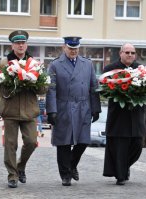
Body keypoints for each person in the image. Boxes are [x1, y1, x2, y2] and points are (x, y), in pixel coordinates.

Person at [46, 36, 101, 186]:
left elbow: (93, 87)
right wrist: (51, 110)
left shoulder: (87, 64)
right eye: (70, 48)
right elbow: (51, 89)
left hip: (84, 106)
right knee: (64, 143)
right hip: (64, 106)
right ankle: (65, 174)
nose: (73, 51)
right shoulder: (55, 65)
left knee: (83, 141)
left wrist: (96, 108)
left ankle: (71, 164)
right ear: (64, 47)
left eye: (76, 49)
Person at [0, 30, 47, 188]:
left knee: (32, 142)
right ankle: (12, 175)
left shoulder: (34, 64)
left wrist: (33, 83)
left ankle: (20, 166)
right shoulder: (4, 63)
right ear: (12, 45)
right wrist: (12, 85)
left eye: (23, 43)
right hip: (11, 110)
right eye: (17, 43)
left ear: (26, 45)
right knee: (10, 144)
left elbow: (43, 89)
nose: (20, 45)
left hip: (29, 111)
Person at [102, 43, 145, 185]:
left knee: (137, 146)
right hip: (119, 116)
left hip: (136, 115)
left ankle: (124, 167)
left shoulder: (141, 70)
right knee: (120, 147)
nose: (130, 55)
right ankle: (121, 175)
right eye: (127, 52)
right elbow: (103, 90)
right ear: (120, 53)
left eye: (132, 53)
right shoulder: (110, 69)